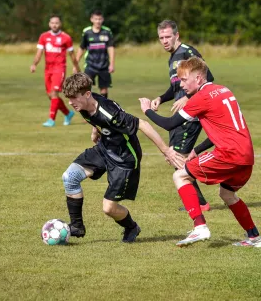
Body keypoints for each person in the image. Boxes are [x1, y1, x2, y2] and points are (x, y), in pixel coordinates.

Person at [139, 57, 261, 247]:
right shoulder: (223, 90)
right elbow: (224, 129)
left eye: (184, 80)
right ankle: (255, 238)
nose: (181, 85)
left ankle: (200, 227)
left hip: (229, 153)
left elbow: (169, 124)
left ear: (198, 78)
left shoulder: (201, 97)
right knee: (227, 195)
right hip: (246, 155)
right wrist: (196, 150)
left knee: (180, 176)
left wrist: (147, 110)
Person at [61, 73, 185, 243]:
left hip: (124, 159)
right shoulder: (84, 105)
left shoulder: (110, 113)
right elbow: (96, 118)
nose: (70, 102)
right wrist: (95, 130)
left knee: (109, 208)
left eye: (73, 98)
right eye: (68, 98)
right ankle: (77, 226)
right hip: (105, 148)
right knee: (70, 177)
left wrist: (166, 151)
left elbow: (143, 124)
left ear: (87, 94)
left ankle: (131, 227)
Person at [150, 19, 213, 211]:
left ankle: (200, 203)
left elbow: (207, 78)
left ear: (177, 35)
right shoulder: (172, 57)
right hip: (181, 115)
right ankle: (200, 201)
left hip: (191, 115)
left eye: (168, 36)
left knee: (177, 156)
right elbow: (174, 87)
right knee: (177, 157)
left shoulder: (188, 52)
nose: (164, 41)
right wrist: (161, 98)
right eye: (161, 38)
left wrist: (188, 98)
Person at [30, 15, 80, 127]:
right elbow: (39, 53)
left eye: (56, 23)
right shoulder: (44, 36)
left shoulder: (66, 38)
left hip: (59, 68)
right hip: (48, 69)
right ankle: (68, 113)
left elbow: (72, 55)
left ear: (60, 24)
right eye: (52, 23)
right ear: (49, 24)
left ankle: (51, 120)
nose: (54, 25)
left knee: (54, 93)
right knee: (51, 96)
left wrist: (76, 67)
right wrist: (34, 64)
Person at [76, 10, 115, 98]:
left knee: (104, 89)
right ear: (91, 19)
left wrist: (112, 64)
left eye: (100, 19)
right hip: (90, 65)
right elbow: (82, 48)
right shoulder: (87, 32)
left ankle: (104, 107)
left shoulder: (107, 32)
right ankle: (88, 108)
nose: (98, 21)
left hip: (104, 65)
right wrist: (76, 63)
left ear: (103, 19)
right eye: (96, 19)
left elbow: (111, 47)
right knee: (86, 86)